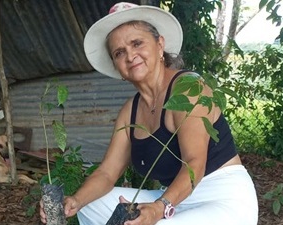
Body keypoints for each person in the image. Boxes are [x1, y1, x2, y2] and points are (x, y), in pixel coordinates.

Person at [40, 2, 258, 225]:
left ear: (160, 45)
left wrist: (158, 209)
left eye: (137, 43)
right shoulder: (130, 112)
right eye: (119, 52)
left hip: (221, 198)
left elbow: (195, 164)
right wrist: (75, 200)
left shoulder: (188, 89)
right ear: (117, 67)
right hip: (172, 198)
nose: (130, 55)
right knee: (91, 206)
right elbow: (107, 173)